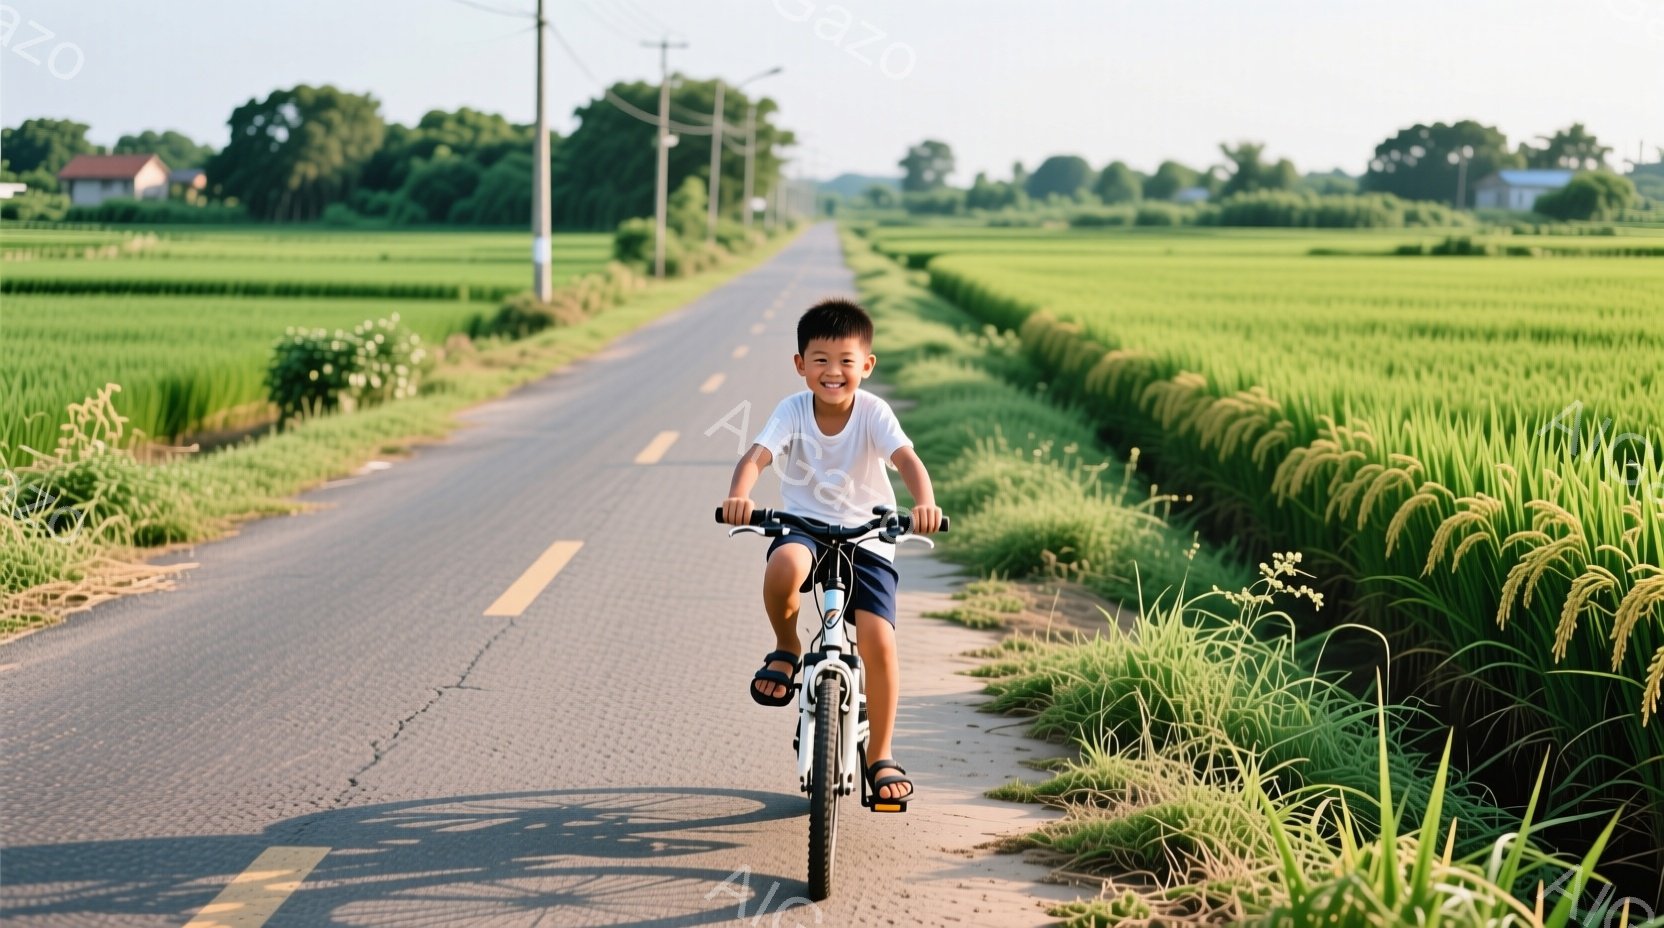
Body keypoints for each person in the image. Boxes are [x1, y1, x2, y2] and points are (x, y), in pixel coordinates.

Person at [718, 298, 943, 805]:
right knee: (783, 566)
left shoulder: (874, 413)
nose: (833, 372)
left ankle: (880, 754)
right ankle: (787, 647)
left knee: (877, 640)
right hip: (806, 529)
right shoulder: (792, 410)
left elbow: (906, 458)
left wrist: (924, 503)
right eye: (819, 360)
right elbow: (758, 455)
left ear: (866, 365)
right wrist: (740, 494)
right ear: (800, 365)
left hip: (868, 536)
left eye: (846, 361)